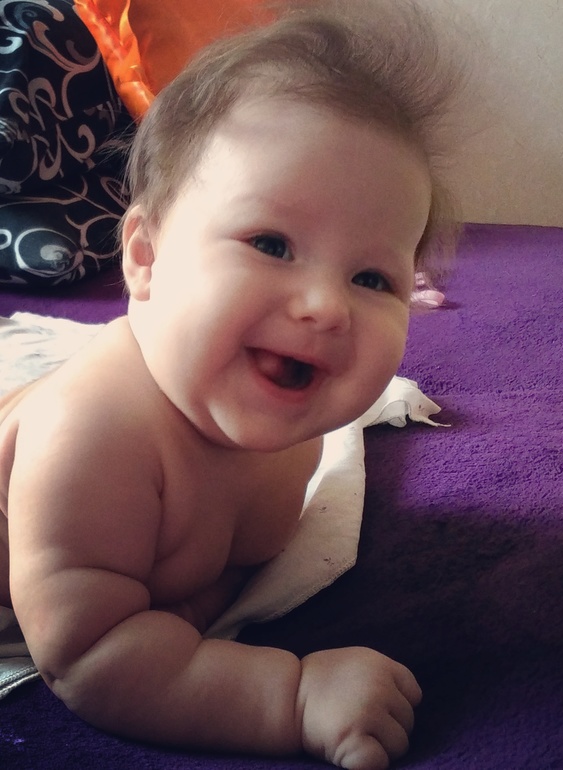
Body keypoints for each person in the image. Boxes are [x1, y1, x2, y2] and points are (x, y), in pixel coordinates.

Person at [0, 1, 463, 768]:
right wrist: (293, 697)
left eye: (372, 278)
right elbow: (89, 656)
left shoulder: (292, 413)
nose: (325, 306)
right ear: (146, 258)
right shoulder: (91, 436)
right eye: (271, 244)